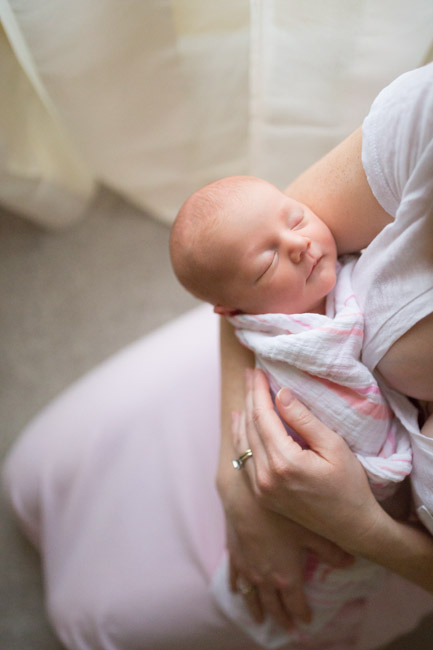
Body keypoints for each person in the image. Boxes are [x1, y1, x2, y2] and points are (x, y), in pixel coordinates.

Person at [2, 63, 433, 650]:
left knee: (107, 626)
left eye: (298, 228)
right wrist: (238, 476)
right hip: (248, 414)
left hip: (369, 529)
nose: (303, 240)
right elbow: (251, 237)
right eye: (270, 259)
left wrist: (357, 526)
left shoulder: (294, 268)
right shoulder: (421, 127)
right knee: (40, 468)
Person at [169, 175, 414, 647]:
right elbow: (352, 423)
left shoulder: (348, 273)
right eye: (265, 266)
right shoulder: (287, 344)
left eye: (296, 218)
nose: (299, 244)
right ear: (234, 309)